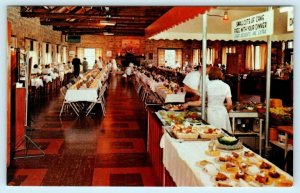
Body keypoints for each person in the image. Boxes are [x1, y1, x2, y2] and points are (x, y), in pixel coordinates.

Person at [206, 66, 232, 132]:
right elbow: (229, 104)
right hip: (222, 112)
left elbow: (201, 101)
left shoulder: (207, 85)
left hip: (210, 112)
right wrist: (226, 111)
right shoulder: (226, 86)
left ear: (210, 74)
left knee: (210, 133)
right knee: (223, 134)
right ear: (220, 74)